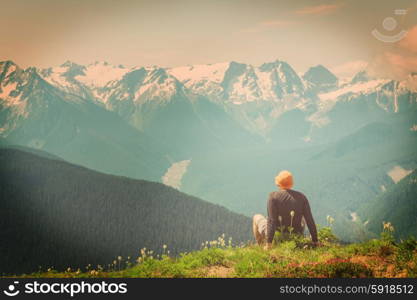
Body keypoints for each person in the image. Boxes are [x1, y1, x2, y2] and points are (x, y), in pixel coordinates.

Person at [252, 170, 318, 249]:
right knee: (303, 218)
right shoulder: (302, 197)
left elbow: (271, 221)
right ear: (292, 183)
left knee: (256, 217)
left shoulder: (273, 197)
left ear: (278, 183)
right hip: (296, 234)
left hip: (277, 233)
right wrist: (315, 240)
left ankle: (261, 245)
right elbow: (309, 220)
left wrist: (269, 243)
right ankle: (296, 237)